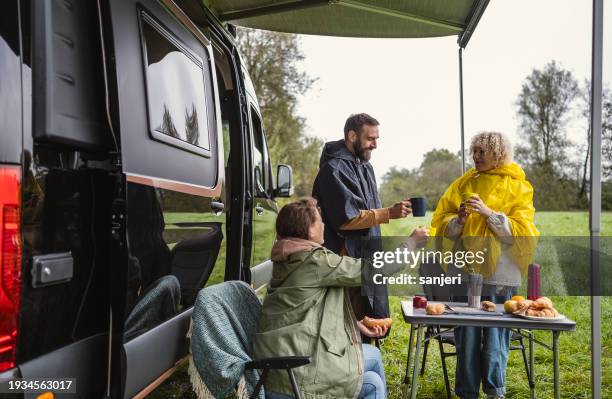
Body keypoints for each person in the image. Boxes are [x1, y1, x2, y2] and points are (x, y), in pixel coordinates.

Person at [252, 198, 428, 399]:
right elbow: (373, 270)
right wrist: (411, 243)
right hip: (298, 374)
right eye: (320, 222)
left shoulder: (286, 258)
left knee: (374, 355)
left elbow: (305, 309)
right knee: (372, 384)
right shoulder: (315, 261)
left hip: (277, 364)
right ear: (309, 230)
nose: (325, 225)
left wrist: (354, 324)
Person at [431, 132, 539, 399]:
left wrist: (489, 214)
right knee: (465, 332)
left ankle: (495, 391)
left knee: (495, 334)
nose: (476, 156)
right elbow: (444, 226)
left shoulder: (518, 186)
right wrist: (459, 219)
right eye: (474, 151)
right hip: (465, 270)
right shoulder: (463, 184)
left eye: (482, 151)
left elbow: (521, 234)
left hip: (501, 274)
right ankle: (467, 392)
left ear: (497, 153)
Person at [312, 113, 412, 325]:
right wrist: (389, 213)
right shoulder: (333, 170)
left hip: (367, 252)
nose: (375, 144)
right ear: (352, 136)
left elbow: (367, 211)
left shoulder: (365, 167)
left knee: (370, 317)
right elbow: (346, 219)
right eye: (370, 139)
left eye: (377, 139)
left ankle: (366, 354)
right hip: (344, 258)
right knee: (347, 321)